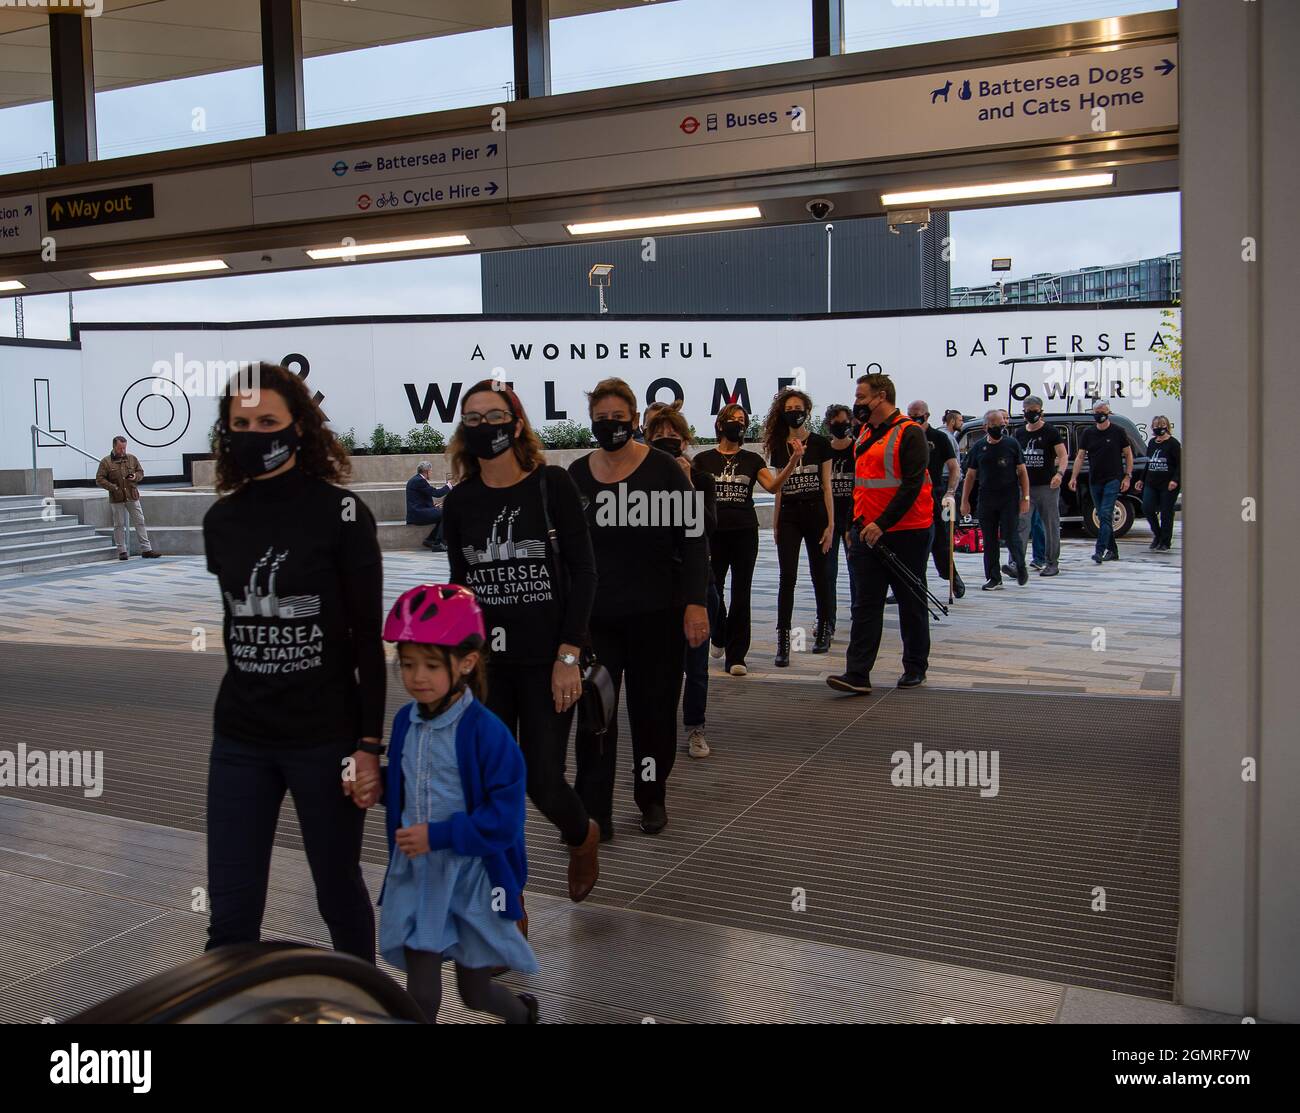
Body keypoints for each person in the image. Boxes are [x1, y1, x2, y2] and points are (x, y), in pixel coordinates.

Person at [202, 362, 381, 962]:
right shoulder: (220, 521)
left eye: (268, 421)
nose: (254, 432)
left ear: (299, 426)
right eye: (241, 423)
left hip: (324, 741)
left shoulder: (343, 514)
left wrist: (369, 746)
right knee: (229, 917)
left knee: (338, 893)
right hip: (240, 741)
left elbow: (366, 643)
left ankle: (367, 1003)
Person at [441, 380, 601, 901]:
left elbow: (584, 571)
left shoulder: (550, 485)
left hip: (547, 660)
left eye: (495, 414)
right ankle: (509, 900)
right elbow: (462, 589)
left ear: (517, 421)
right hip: (488, 666)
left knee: (541, 780)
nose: (486, 426)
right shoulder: (460, 502)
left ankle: (582, 835)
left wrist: (569, 655)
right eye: (474, 417)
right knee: (488, 784)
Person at [369, 584, 539, 1024]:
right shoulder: (406, 721)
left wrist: (439, 834)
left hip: (474, 880)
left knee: (474, 992)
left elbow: (504, 821)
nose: (416, 677)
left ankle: (523, 1016)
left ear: (466, 663)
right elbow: (410, 784)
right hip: (420, 875)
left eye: (429, 664)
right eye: (407, 664)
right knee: (421, 996)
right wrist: (376, 786)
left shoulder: (488, 733)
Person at [569, 378, 710, 836]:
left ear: (634, 420)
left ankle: (650, 795)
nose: (610, 426)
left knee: (652, 715)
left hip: (658, 618)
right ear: (591, 421)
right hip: (597, 624)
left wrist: (695, 604)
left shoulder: (664, 471)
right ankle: (595, 811)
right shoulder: (576, 476)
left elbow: (693, 542)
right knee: (596, 718)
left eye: (618, 418)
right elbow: (565, 552)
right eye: (601, 419)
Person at [827, 373, 933, 694]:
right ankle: (857, 674)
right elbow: (860, 486)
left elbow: (912, 486)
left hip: (906, 532)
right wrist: (853, 525)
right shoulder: (865, 434)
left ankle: (915, 667)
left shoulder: (909, 433)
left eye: (861, 397)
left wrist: (881, 524)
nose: (857, 403)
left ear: (881, 396)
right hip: (866, 532)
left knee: (910, 601)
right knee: (864, 604)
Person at [691, 404, 798, 676]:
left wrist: (794, 461)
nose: (737, 424)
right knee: (713, 592)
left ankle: (736, 656)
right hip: (712, 534)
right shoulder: (703, 460)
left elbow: (773, 486)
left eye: (742, 421)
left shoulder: (752, 460)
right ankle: (719, 632)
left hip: (744, 533)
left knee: (742, 593)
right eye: (732, 420)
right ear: (720, 424)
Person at [645, 403, 717, 759]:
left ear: (686, 441)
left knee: (696, 662)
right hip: (656, 582)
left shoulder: (701, 479)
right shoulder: (642, 482)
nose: (667, 442)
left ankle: (695, 727)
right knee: (661, 663)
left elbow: (705, 527)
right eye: (659, 438)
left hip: (695, 581)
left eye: (673, 437)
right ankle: (658, 728)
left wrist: (686, 483)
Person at [763, 389, 834, 666]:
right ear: (783, 413)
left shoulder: (820, 444)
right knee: (787, 577)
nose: (794, 411)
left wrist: (830, 524)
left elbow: (827, 485)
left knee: (820, 573)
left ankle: (824, 628)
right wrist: (777, 523)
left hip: (816, 513)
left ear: (807, 410)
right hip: (791, 514)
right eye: (789, 407)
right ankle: (783, 641)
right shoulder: (780, 446)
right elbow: (778, 489)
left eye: (798, 406)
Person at [961, 409, 1031, 590]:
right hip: (986, 498)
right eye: (994, 425)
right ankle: (993, 577)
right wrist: (965, 500)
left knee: (1010, 534)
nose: (999, 428)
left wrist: (1025, 497)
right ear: (986, 427)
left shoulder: (1011, 444)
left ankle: (1020, 565)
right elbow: (970, 475)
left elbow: (1022, 471)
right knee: (989, 539)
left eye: (1001, 424)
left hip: (1008, 496)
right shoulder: (978, 447)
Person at [906, 399, 964, 599]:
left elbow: (954, 467)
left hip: (935, 493)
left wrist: (950, 491)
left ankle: (952, 575)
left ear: (927, 416)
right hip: (910, 494)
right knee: (908, 543)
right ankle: (907, 584)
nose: (914, 419)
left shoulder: (938, 437)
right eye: (910, 415)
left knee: (941, 540)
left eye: (918, 415)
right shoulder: (905, 436)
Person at [1069, 400, 1135, 564]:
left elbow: (1128, 454)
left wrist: (1127, 476)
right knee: (1103, 515)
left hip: (1113, 478)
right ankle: (1113, 550)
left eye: (1102, 411)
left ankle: (1099, 550)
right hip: (1095, 479)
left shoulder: (1118, 432)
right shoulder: (1088, 433)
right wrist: (1073, 477)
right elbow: (1080, 456)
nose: (1099, 415)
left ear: (1108, 413)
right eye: (1096, 412)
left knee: (1105, 514)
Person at [1012, 396, 1067, 577]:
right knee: (1021, 524)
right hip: (1026, 487)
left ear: (1041, 411)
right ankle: (1016, 563)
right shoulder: (1019, 433)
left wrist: (1059, 474)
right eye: (1027, 410)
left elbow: (1063, 454)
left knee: (1050, 525)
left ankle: (1052, 562)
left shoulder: (1051, 432)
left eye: (1034, 410)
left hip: (1047, 486)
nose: (1031, 414)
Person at [95, 435, 161, 561]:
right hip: (116, 497)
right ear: (114, 446)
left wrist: (135, 477)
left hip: (132, 495)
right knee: (119, 524)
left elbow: (141, 472)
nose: (123, 451)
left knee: (140, 521)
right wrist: (112, 487)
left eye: (124, 448)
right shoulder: (106, 462)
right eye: (120, 448)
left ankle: (146, 549)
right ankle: (122, 551)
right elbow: (99, 479)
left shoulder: (132, 458)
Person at [823, 404, 858, 637]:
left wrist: (851, 523)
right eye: (836, 423)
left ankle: (859, 616)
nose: (841, 426)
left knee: (856, 570)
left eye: (844, 422)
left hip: (853, 519)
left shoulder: (858, 450)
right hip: (829, 520)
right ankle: (827, 620)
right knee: (827, 571)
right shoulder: (824, 451)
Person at [1136, 416, 1181, 552]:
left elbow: (1180, 464)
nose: (1158, 428)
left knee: (1166, 512)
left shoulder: (1173, 444)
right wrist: (1141, 479)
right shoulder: (1152, 443)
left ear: (1167, 426)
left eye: (1161, 425)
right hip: (1151, 481)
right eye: (1155, 425)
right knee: (1147, 508)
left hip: (1168, 484)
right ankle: (1158, 534)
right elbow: (1149, 462)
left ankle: (1165, 541)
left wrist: (1175, 480)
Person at [405, 461, 451, 551]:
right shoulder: (419, 481)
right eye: (431, 471)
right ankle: (439, 543)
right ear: (426, 471)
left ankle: (430, 540)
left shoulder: (417, 479)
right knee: (447, 514)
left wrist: (434, 506)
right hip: (418, 514)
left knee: (443, 515)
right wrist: (448, 486)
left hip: (418, 512)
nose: (431, 473)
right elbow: (436, 493)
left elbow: (419, 499)